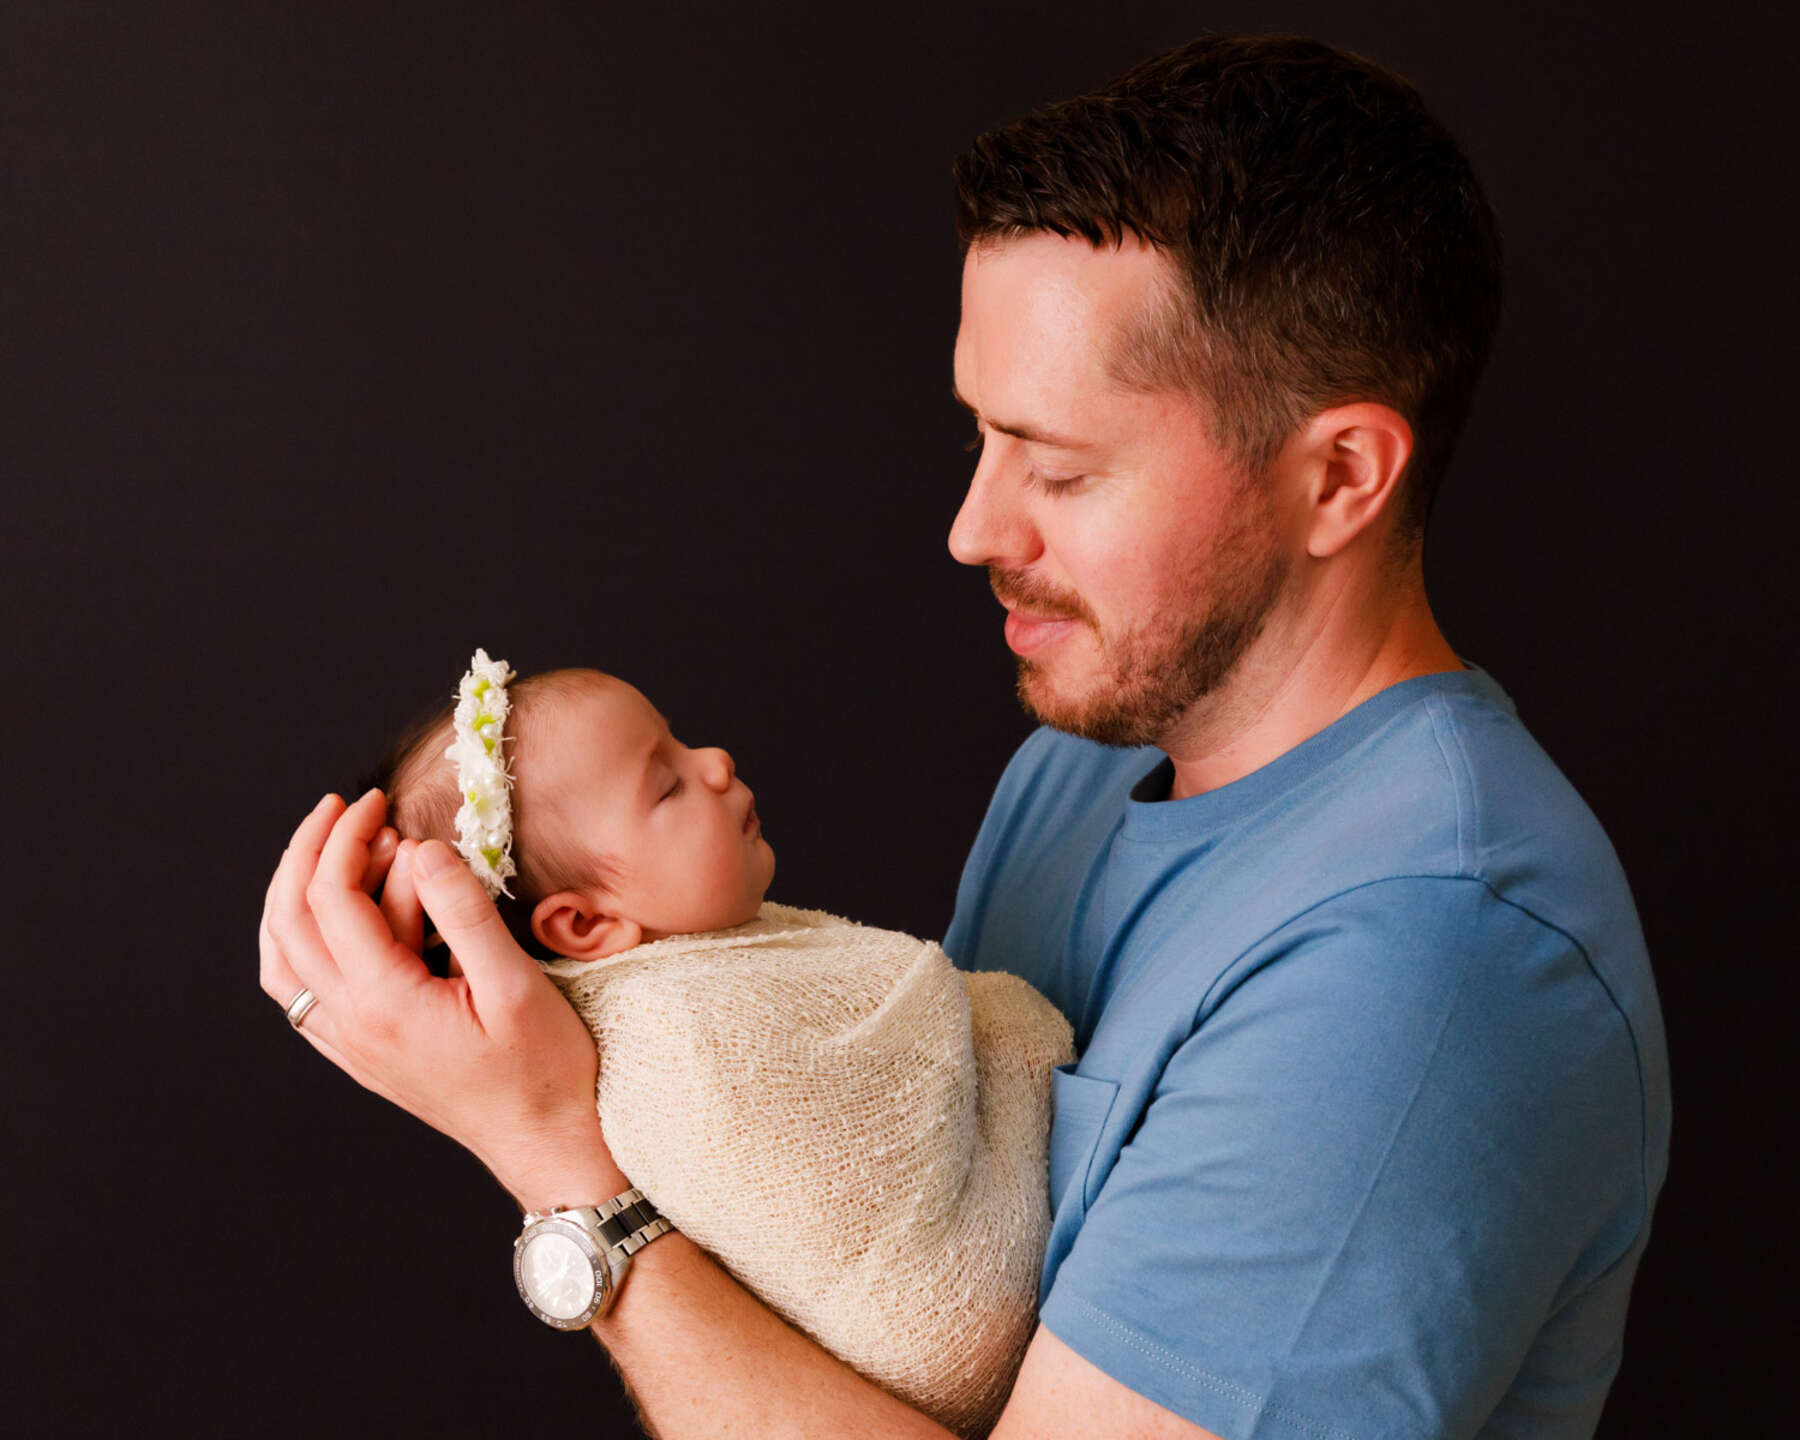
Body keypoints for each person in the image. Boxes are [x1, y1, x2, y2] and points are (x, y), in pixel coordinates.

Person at [260, 32, 1670, 1440]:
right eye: (980, 438)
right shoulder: (1083, 765)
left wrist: (558, 1164)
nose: (972, 529)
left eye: (1058, 467)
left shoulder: (1427, 955)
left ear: (1340, 477)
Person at [369, 651, 1071, 1436]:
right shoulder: (680, 1046)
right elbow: (879, 1075)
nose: (715, 762)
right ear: (586, 924)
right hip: (939, 1328)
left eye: (680, 741)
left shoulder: (704, 967)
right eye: (666, 785)